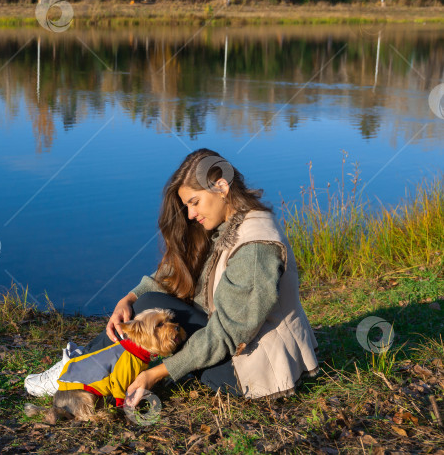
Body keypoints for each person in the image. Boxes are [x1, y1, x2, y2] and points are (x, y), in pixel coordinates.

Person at [24, 148, 320, 403]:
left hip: (250, 371)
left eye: (194, 202)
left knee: (148, 309)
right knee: (145, 301)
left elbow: (226, 336)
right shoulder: (230, 223)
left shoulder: (255, 247)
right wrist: (128, 298)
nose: (190, 214)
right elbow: (174, 275)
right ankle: (86, 368)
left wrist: (158, 372)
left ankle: (75, 375)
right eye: (187, 206)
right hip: (237, 350)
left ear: (221, 186)